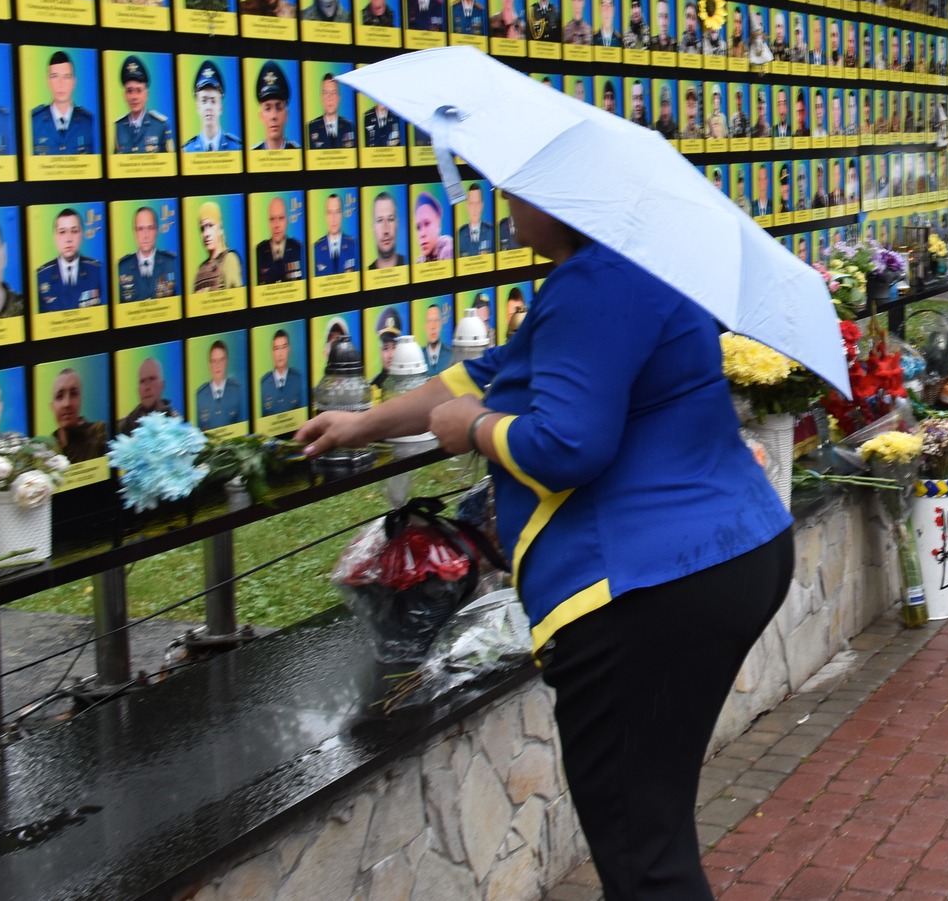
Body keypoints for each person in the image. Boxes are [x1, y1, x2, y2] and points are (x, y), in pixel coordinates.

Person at [294, 190, 792, 899]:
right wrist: (361, 424)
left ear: (563, 199)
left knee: (641, 851)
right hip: (726, 552)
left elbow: (566, 447)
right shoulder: (627, 269)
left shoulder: (596, 283)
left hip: (645, 585)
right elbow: (479, 375)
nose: (505, 204)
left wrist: (474, 429)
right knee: (651, 818)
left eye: (515, 190)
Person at [35, 207, 105, 313]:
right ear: (55, 236)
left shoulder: (98, 271)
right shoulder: (40, 277)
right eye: (62, 232)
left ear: (82, 234)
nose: (68, 239)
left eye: (74, 231)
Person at [30, 50, 97, 157]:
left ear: (74, 82)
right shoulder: (32, 122)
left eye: (66, 77)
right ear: (48, 81)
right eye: (55, 76)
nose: (60, 84)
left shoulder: (90, 122)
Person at [112, 55, 171, 158]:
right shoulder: (118, 126)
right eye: (129, 91)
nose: (134, 97)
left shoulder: (161, 125)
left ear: (146, 95)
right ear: (124, 95)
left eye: (139, 90)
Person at [116, 205, 177, 305]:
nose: (145, 235)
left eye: (150, 228)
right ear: (134, 233)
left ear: (156, 231)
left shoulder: (172, 263)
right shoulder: (121, 268)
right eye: (140, 229)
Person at [48, 366, 107, 461]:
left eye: (73, 394)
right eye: (60, 396)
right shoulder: (45, 450)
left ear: (81, 400)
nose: (67, 403)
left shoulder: (100, 434)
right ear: (52, 406)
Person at [183, 59, 241, 153]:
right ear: (197, 107)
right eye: (204, 101)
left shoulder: (236, 148)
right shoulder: (188, 151)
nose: (208, 107)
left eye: (213, 101)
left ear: (221, 108)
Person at [192, 201, 244, 292]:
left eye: (210, 225)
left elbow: (235, 297)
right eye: (202, 228)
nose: (206, 234)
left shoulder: (229, 259)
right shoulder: (200, 269)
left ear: (220, 229)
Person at [194, 340, 246, 430]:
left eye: (221, 360)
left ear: (226, 362)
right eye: (214, 361)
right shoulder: (199, 396)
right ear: (209, 365)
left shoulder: (237, 390)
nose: (217, 365)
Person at [117, 357, 175, 435]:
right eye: (142, 381)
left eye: (152, 379)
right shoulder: (121, 428)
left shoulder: (177, 424)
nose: (146, 387)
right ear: (138, 390)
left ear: (162, 386)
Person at [258, 329, 306, 416]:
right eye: (276, 349)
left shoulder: (299, 379)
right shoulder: (263, 384)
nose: (280, 354)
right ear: (272, 352)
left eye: (283, 347)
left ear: (288, 349)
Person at [252, 62, 296, 151]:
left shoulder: (297, 151)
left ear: (286, 114)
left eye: (279, 108)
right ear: (261, 116)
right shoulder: (252, 154)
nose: (273, 116)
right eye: (267, 108)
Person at [308, 72, 355, 151]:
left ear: (339, 98)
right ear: (321, 97)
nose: (329, 98)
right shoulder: (311, 128)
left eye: (333, 92)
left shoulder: (349, 127)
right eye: (326, 93)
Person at [314, 192, 357, 277]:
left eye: (337, 212)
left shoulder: (354, 245)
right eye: (330, 213)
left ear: (342, 214)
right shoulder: (316, 249)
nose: (333, 218)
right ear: (325, 216)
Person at [413, 191, 452, 264]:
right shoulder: (420, 261)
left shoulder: (448, 247)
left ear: (439, 224)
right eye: (418, 227)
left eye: (427, 224)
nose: (422, 234)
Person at [369, 191, 403, 269]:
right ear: (373, 227)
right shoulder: (367, 272)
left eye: (390, 219)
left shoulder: (409, 262)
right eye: (380, 220)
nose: (386, 230)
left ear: (397, 224)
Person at [460, 187, 494, 254]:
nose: (474, 208)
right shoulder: (460, 235)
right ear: (467, 206)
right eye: (471, 203)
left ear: (482, 205)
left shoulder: (491, 231)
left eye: (477, 203)